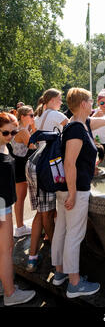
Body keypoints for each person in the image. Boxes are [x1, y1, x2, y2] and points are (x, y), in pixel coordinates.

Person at [51, 88, 105, 297]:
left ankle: (60, 274)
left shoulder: (82, 124)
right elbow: (70, 164)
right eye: (90, 100)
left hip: (67, 189)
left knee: (62, 230)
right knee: (74, 235)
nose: (93, 104)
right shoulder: (76, 129)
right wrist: (73, 193)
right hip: (75, 189)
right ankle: (75, 283)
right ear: (83, 104)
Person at [25, 89, 68, 272]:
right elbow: (72, 131)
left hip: (34, 162)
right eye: (59, 99)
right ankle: (57, 256)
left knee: (40, 214)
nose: (61, 102)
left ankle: (32, 257)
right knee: (48, 214)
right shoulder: (56, 114)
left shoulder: (39, 115)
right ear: (51, 100)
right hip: (46, 167)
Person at [0, 112, 36, 306]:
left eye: (14, 131)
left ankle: (4, 283)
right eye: (7, 132)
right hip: (1, 206)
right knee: (6, 250)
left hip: (4, 204)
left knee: (5, 248)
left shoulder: (5, 146)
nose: (12, 136)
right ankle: (10, 293)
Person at [9, 106, 36, 237]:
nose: (33, 117)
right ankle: (20, 227)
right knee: (20, 198)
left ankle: (20, 226)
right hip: (20, 166)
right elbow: (34, 147)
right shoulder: (24, 132)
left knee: (19, 198)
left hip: (16, 164)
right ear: (23, 116)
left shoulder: (18, 129)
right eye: (31, 115)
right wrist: (35, 128)